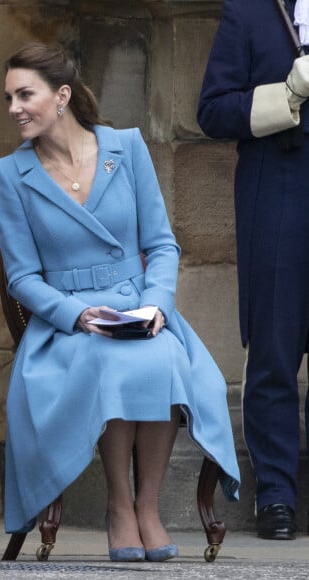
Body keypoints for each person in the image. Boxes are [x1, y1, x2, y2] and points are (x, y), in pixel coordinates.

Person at [0, 42, 240, 563]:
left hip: (138, 307)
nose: (13, 107)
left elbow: (162, 243)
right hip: (67, 326)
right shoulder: (9, 174)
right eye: (9, 96)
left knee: (162, 356)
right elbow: (21, 277)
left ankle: (148, 506)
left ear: (61, 96)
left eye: (24, 94)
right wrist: (76, 315)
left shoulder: (126, 147)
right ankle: (120, 506)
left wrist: (156, 307)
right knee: (109, 359)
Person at [197, 0, 309, 541]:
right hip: (279, 185)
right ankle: (279, 496)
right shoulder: (249, 13)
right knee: (273, 346)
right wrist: (283, 96)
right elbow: (212, 110)